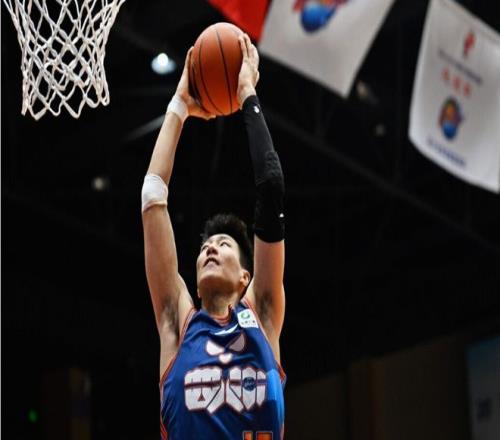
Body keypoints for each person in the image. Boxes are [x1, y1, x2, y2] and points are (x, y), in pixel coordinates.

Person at [141, 33, 286, 439]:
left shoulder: (264, 313)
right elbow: (152, 197)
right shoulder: (177, 324)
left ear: (245, 277)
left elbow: (271, 186)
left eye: (223, 245)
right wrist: (179, 106)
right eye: (206, 245)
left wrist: (246, 93)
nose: (210, 248)